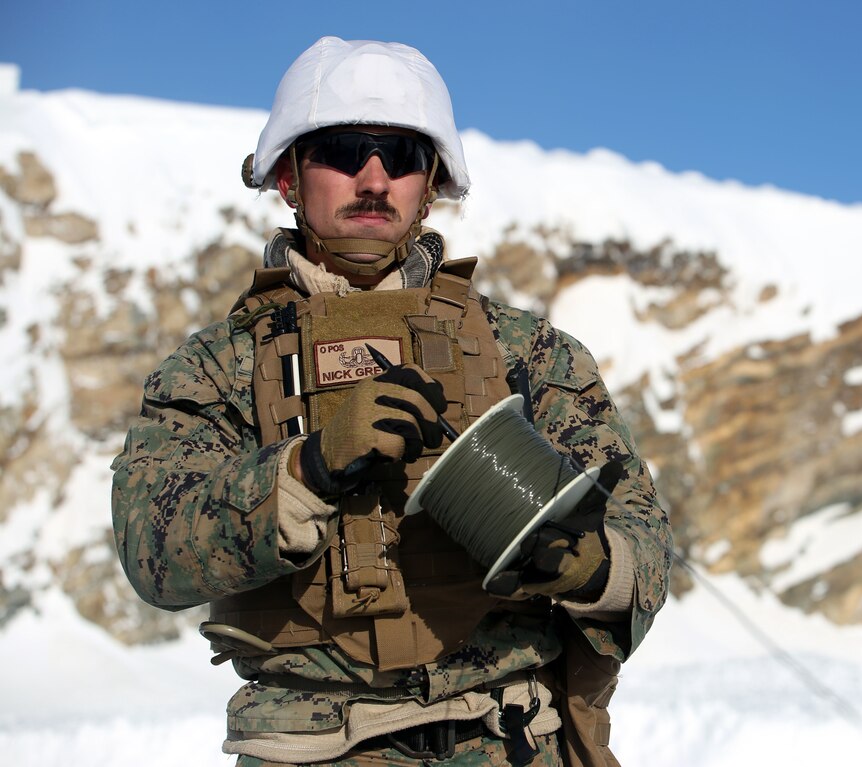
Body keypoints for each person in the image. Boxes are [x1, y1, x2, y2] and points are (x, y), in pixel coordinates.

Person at [112, 37, 671, 767]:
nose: (373, 178)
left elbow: (647, 546)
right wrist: (304, 471)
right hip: (312, 748)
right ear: (288, 175)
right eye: (343, 150)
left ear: (431, 182)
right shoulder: (219, 367)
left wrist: (591, 564)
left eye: (402, 156)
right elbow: (152, 549)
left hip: (510, 738)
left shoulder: (531, 354)